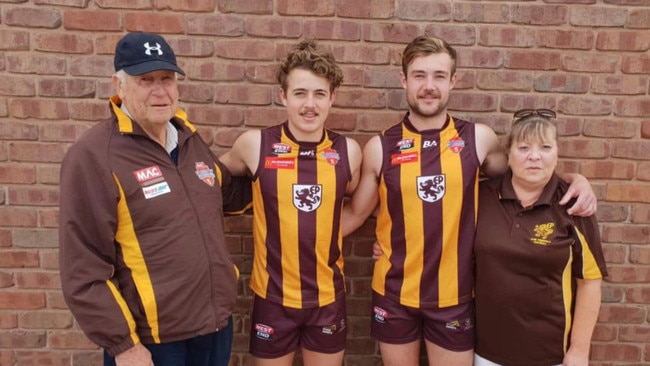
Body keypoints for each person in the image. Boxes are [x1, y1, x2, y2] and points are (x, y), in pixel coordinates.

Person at [341, 36, 597, 366]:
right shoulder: (381, 147)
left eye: (439, 76)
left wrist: (577, 181)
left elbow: (530, 170)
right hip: (394, 293)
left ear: (453, 81)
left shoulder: (478, 140)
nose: (428, 86)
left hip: (455, 296)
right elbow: (358, 214)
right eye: (419, 75)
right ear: (404, 80)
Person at [59, 32, 250, 366]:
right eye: (145, 80)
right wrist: (124, 346)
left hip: (214, 329)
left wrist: (284, 167)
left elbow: (229, 195)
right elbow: (83, 268)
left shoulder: (189, 140)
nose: (160, 91)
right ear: (118, 86)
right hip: (153, 344)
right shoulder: (94, 156)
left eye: (167, 79)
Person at [219, 40, 362, 366]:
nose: (309, 104)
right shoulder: (254, 145)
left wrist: (332, 232)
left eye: (319, 94)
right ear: (283, 96)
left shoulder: (348, 152)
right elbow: (209, 181)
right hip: (273, 298)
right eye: (300, 93)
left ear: (332, 98)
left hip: (327, 299)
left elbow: (364, 204)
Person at [473, 109, 607, 366]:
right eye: (524, 148)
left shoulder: (573, 204)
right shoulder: (481, 197)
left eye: (545, 147)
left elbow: (590, 282)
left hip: (549, 355)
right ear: (508, 156)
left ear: (556, 154)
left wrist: (579, 351)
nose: (535, 156)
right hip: (486, 352)